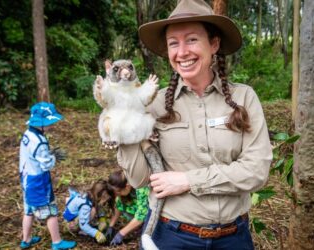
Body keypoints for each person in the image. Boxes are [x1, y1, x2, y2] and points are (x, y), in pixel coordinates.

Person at [117, 0, 273, 249]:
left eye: (191, 40)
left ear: (214, 44)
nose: (182, 52)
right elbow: (138, 179)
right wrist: (122, 127)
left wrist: (188, 180)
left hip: (234, 237)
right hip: (171, 235)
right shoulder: (153, 105)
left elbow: (256, 171)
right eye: (173, 43)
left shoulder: (243, 98)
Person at [19, 102, 76, 250]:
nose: (52, 125)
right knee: (50, 211)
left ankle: (26, 239)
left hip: (26, 179)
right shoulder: (40, 141)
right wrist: (54, 157)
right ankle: (57, 242)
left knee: (29, 210)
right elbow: (46, 165)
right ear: (41, 124)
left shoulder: (28, 134)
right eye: (50, 123)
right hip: (38, 181)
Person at [105, 170, 150, 246]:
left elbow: (140, 216)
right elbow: (118, 206)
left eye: (118, 192)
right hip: (139, 204)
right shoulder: (123, 183)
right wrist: (111, 226)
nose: (117, 195)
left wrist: (121, 233)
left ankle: (145, 226)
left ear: (127, 186)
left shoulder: (141, 187)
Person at [62, 180, 113, 245]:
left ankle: (88, 228)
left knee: (94, 209)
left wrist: (102, 218)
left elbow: (99, 205)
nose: (106, 201)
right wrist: (96, 233)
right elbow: (83, 225)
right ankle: (82, 230)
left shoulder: (91, 195)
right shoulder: (85, 205)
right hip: (70, 222)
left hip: (79, 215)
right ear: (99, 196)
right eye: (105, 199)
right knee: (93, 211)